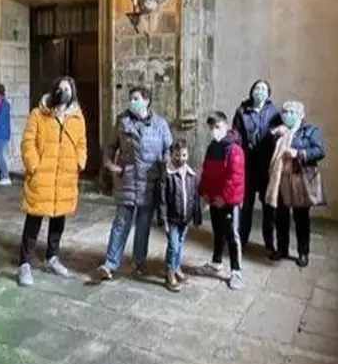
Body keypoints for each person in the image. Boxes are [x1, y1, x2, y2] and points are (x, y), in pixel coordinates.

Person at [94, 85, 173, 281]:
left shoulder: (160, 124)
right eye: (130, 99)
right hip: (127, 179)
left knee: (144, 225)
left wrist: (165, 168)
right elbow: (110, 146)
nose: (132, 102)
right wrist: (111, 166)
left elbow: (168, 149)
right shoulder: (122, 121)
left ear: (146, 100)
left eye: (136, 98)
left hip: (149, 182)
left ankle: (139, 262)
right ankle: (110, 263)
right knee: (121, 223)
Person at [18, 76, 87, 287]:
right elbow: (28, 142)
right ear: (54, 90)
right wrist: (34, 166)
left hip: (65, 176)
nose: (64, 93)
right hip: (42, 175)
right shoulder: (38, 114)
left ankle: (52, 257)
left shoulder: (77, 117)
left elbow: (81, 143)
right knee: (34, 220)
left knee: (58, 219)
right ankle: (25, 263)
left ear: (72, 93)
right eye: (60, 88)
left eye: (68, 89)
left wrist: (79, 162)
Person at [266, 100, 327, 267]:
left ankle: (303, 252)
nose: (288, 115)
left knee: (301, 218)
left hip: (299, 178)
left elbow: (320, 151)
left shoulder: (310, 131)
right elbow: (268, 151)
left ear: (301, 114)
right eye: (285, 112)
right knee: (281, 216)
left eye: (292, 112)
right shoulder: (280, 130)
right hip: (281, 178)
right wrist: (274, 135)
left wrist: (299, 153)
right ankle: (282, 249)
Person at [198, 111, 246, 289]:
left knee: (232, 235)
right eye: (211, 128)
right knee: (217, 232)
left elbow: (235, 177)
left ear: (226, 125)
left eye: (217, 127)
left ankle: (236, 271)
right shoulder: (212, 147)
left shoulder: (234, 149)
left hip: (229, 202)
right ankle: (216, 263)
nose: (214, 131)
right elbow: (206, 171)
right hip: (214, 199)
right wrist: (204, 191)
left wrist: (223, 197)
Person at [233, 79, 280, 257]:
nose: (260, 92)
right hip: (248, 165)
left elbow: (279, 133)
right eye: (257, 88)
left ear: (268, 93)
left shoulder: (274, 112)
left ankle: (269, 243)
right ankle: (241, 241)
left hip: (266, 165)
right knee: (246, 206)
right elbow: (236, 134)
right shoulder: (242, 111)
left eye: (263, 89)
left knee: (269, 207)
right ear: (252, 91)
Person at [153, 140, 201, 293]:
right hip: (172, 217)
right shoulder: (166, 175)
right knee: (173, 245)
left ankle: (176, 267)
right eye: (177, 155)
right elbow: (162, 199)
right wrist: (163, 219)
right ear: (171, 155)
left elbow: (194, 197)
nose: (181, 158)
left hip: (185, 217)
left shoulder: (191, 174)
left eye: (184, 155)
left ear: (188, 154)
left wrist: (196, 216)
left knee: (179, 243)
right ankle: (169, 272)